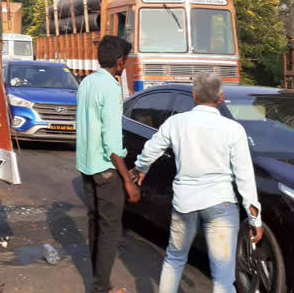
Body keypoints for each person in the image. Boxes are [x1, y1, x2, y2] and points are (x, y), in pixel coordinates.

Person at [131, 72, 263, 293]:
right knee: (222, 277)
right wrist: (254, 218)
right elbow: (244, 177)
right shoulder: (233, 130)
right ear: (221, 98)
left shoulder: (176, 123)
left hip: (185, 204)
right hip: (221, 204)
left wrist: (140, 169)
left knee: (174, 259)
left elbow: (150, 150)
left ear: (194, 96)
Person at [76, 35, 140, 293]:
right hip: (105, 169)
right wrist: (127, 181)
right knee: (110, 230)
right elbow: (112, 142)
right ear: (120, 62)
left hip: (86, 166)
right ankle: (102, 288)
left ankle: (100, 282)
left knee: (95, 225)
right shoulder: (112, 88)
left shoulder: (87, 82)